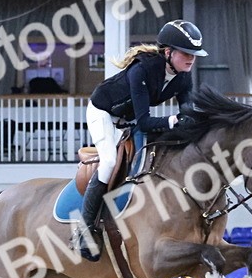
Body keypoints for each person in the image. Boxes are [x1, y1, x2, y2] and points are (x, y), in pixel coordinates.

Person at [73, 19, 207, 260]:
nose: (191, 59)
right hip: (104, 112)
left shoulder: (184, 77)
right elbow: (146, 122)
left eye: (194, 54)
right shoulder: (142, 70)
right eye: (186, 53)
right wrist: (175, 121)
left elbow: (187, 114)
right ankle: (84, 230)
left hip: (130, 119)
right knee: (109, 163)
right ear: (168, 52)